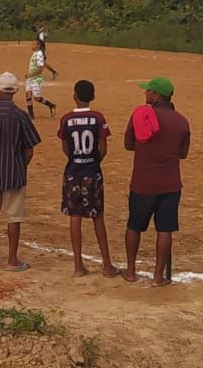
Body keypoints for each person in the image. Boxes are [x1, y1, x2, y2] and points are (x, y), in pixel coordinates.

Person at [124, 76, 190, 287]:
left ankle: (131, 271)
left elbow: (128, 144)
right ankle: (157, 277)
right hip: (170, 184)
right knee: (165, 230)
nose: (145, 94)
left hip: (142, 182)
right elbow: (183, 153)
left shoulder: (141, 115)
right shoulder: (181, 121)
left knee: (134, 226)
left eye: (148, 91)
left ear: (156, 95)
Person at [0, 72, 42, 271]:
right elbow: (29, 149)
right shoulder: (20, 115)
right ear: (15, 91)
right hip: (14, 173)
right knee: (14, 217)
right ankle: (12, 259)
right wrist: (20, 166)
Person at [58, 80, 120, 278]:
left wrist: (76, 160)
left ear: (74, 96)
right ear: (92, 96)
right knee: (97, 217)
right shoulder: (98, 118)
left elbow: (66, 148)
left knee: (75, 217)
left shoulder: (66, 119)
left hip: (73, 172)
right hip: (92, 173)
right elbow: (103, 148)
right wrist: (93, 161)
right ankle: (107, 266)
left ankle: (78, 266)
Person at [25, 41, 57, 118]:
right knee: (28, 95)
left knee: (37, 98)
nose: (32, 45)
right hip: (31, 78)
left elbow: (40, 69)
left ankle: (51, 105)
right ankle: (31, 115)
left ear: (38, 46)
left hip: (36, 79)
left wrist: (30, 74)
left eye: (33, 44)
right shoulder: (35, 54)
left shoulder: (39, 55)